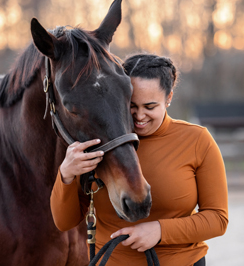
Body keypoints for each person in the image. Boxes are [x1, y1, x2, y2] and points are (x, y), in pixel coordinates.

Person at [50, 53, 228, 266]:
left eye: (150, 107)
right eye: (132, 106)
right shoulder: (100, 142)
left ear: (169, 98)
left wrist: (160, 231)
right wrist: (66, 174)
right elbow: (64, 222)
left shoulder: (198, 141)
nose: (139, 116)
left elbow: (218, 219)